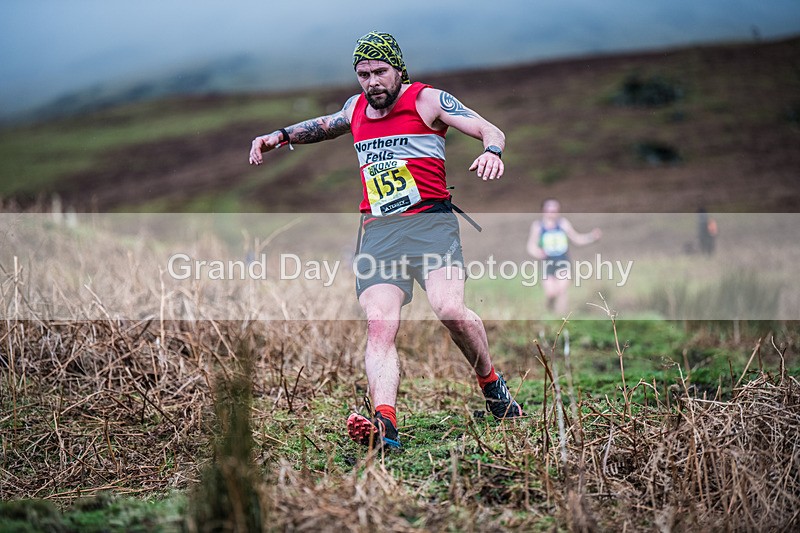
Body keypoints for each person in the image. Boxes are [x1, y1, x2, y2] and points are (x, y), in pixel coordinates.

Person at [249, 31, 523, 450]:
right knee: (380, 325)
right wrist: (279, 136)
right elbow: (324, 126)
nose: (372, 81)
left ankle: (490, 383)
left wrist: (492, 151)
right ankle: (386, 425)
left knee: (449, 310)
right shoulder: (355, 108)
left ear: (398, 69)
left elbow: (490, 129)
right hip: (378, 234)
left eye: (380, 71)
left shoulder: (427, 100)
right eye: (364, 74)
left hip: (431, 225)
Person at [526, 198, 601, 316]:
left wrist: (592, 237)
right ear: (543, 211)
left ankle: (562, 319)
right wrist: (538, 252)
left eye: (555, 210)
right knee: (551, 293)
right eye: (549, 210)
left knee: (562, 290)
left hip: (563, 262)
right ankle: (550, 311)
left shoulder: (563, 224)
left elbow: (577, 239)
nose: (552, 213)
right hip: (547, 264)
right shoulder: (538, 226)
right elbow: (531, 246)